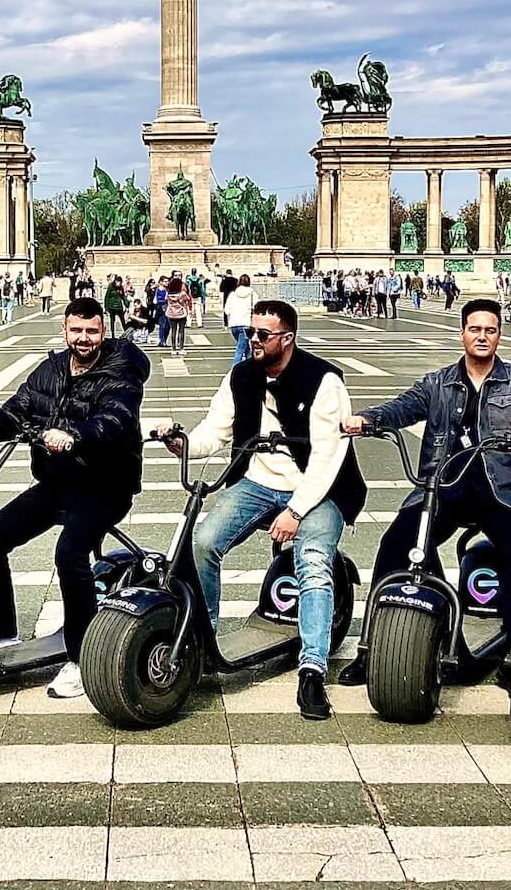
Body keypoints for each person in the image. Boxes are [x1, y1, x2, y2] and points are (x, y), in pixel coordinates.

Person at [158, 300, 363, 720]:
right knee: (203, 542)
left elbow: (328, 457)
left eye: (262, 335)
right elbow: (213, 431)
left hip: (319, 490)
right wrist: (181, 444)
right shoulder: (242, 375)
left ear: (286, 339)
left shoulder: (324, 381)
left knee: (312, 561)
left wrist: (297, 511)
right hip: (258, 482)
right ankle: (201, 636)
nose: (252, 339)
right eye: (250, 332)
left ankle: (312, 669)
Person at [335, 299, 511, 687]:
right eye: (475, 329)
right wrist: (369, 419)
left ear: (499, 334)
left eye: (490, 330)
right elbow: (404, 407)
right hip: (444, 485)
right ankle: (372, 649)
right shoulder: (438, 383)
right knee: (397, 544)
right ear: (462, 333)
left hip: (503, 488)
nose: (482, 336)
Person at [0, 298, 149, 698]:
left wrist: (76, 435)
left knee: (69, 554)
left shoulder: (121, 372)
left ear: (103, 331)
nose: (84, 338)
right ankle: (5, 638)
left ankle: (81, 659)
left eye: (92, 331)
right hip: (58, 482)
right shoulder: (51, 370)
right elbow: (15, 413)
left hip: (105, 485)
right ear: (64, 330)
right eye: (76, 331)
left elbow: (116, 419)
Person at [224, 272, 256, 363]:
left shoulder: (232, 294)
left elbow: (227, 310)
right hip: (246, 324)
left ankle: (249, 368)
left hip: (234, 325)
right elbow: (257, 308)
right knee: (240, 350)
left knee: (245, 348)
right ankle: (235, 372)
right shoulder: (253, 294)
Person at [163, 277, 191, 355]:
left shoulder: (168, 294)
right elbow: (187, 299)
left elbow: (165, 300)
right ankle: (181, 348)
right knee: (181, 331)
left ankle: (173, 348)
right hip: (181, 313)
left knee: (173, 330)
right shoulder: (182, 294)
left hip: (171, 313)